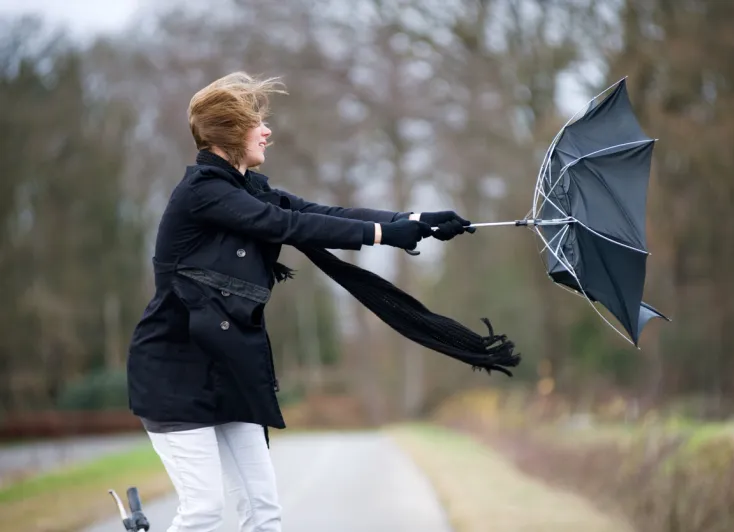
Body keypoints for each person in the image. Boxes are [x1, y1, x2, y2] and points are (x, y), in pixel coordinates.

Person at [125, 72, 473, 532]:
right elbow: (284, 226)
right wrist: (385, 233)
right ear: (230, 132)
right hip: (175, 372)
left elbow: (318, 214)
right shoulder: (203, 193)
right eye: (256, 123)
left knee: (263, 512)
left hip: (230, 369)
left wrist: (414, 220)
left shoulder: (248, 188)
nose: (267, 131)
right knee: (204, 511)